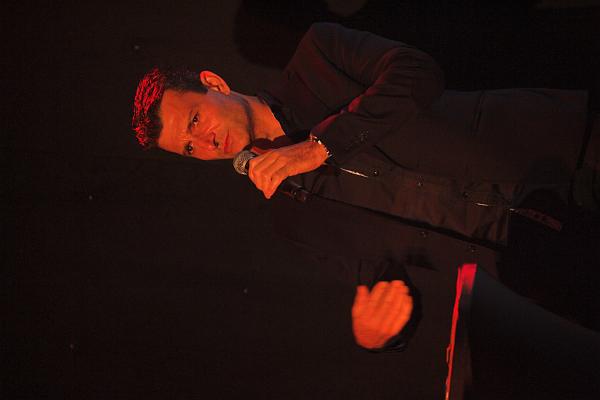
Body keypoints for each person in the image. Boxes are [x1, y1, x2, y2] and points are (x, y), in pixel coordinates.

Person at [131, 23, 599, 352]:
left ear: (214, 83)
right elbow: (382, 281)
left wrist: (320, 146)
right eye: (189, 148)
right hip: (538, 260)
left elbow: (417, 72)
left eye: (196, 120)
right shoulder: (290, 215)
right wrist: (379, 334)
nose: (205, 143)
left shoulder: (317, 58)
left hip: (560, 152)